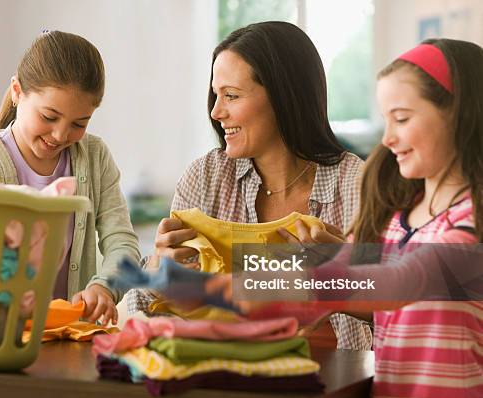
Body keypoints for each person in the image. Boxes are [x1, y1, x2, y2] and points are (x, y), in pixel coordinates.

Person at [207, 38, 483, 398]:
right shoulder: (401, 217)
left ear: (459, 114)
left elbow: (398, 281)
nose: (387, 138)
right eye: (386, 120)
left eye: (401, 118)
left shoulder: (471, 225)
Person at [127, 21, 365, 349]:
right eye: (216, 94)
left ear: (284, 96)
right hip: (223, 384)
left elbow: (413, 312)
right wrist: (157, 273)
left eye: (232, 96)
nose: (216, 111)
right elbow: (139, 313)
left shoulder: (359, 186)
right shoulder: (205, 178)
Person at [0, 30, 140, 326]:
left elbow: (122, 241)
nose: (61, 135)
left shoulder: (95, 157)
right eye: (49, 117)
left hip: (70, 336)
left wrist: (104, 287)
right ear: (17, 91)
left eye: (79, 123)